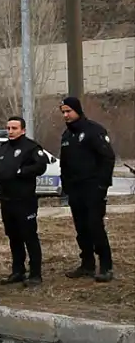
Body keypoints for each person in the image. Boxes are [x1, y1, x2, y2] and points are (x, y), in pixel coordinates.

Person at [58, 96, 116, 283]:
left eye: (68, 111)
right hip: (75, 190)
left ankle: (106, 266)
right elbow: (64, 164)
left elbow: (107, 158)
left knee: (95, 226)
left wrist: (102, 185)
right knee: (81, 228)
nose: (66, 115)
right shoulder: (66, 136)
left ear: (77, 110)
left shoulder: (94, 131)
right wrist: (66, 185)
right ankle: (87, 264)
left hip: (93, 189)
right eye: (63, 112)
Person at [0, 116, 47, 286]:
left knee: (29, 236)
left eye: (14, 128)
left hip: (24, 200)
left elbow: (41, 166)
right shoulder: (3, 148)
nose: (10, 131)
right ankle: (18, 271)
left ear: (23, 130)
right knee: (13, 237)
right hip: (6, 200)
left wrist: (20, 172)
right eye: (8, 128)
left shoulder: (31, 147)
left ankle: (35, 274)